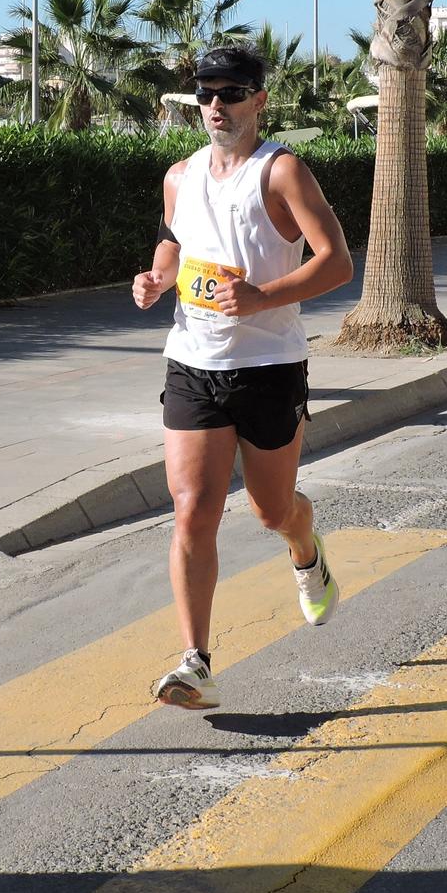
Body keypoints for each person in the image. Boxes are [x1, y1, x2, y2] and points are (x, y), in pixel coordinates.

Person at [131, 44, 355, 710]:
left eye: (230, 93)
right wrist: (157, 277)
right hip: (193, 362)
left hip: (269, 367)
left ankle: (306, 548)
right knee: (193, 511)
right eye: (206, 94)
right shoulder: (179, 176)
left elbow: (337, 262)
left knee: (270, 511)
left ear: (260, 100)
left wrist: (264, 297)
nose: (216, 106)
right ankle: (194, 660)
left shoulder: (281, 173)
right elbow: (174, 240)